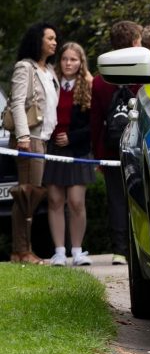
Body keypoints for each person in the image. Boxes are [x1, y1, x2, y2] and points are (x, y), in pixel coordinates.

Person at [90, 21, 144, 265]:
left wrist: (97, 154)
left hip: (111, 149)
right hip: (139, 145)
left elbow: (96, 122)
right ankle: (139, 246)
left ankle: (120, 250)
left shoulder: (100, 82)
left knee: (116, 198)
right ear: (134, 43)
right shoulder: (144, 75)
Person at [7, 23, 59, 264]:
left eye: (55, 39)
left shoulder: (49, 70)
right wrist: (24, 136)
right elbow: (16, 102)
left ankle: (23, 250)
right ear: (37, 40)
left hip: (43, 140)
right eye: (50, 38)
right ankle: (21, 251)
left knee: (32, 193)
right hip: (30, 139)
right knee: (26, 193)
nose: (54, 42)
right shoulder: (24, 68)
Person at [42, 42, 97, 266]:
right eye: (65, 59)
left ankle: (77, 251)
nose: (68, 63)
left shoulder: (89, 85)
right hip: (54, 149)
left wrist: (72, 138)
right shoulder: (51, 82)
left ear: (80, 62)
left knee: (76, 201)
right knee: (55, 200)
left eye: (73, 59)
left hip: (78, 150)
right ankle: (59, 252)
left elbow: (94, 124)